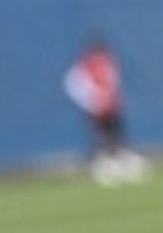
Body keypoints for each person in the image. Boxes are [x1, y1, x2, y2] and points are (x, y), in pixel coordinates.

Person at [63, 37, 150, 186]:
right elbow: (75, 85)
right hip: (97, 109)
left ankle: (124, 165)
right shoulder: (85, 67)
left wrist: (110, 99)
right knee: (103, 138)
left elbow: (112, 84)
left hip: (112, 107)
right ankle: (105, 169)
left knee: (118, 135)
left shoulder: (108, 63)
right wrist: (92, 100)